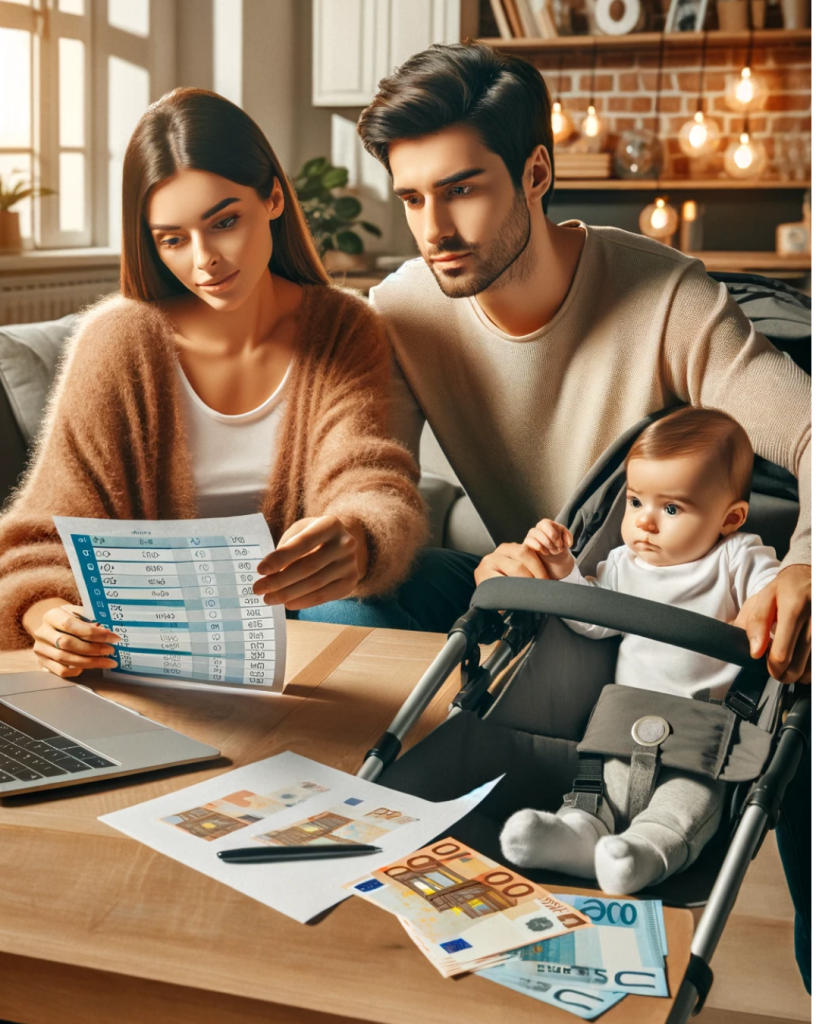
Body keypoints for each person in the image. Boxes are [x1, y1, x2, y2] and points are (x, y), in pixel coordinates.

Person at [357, 41, 810, 985]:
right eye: (410, 198)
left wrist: (805, 564)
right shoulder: (400, 307)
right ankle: (364, 907)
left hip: (684, 610)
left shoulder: (667, 297)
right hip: (543, 589)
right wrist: (468, 564)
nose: (431, 227)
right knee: (356, 605)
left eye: (462, 190)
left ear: (535, 173)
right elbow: (384, 489)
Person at [0, 88, 427, 672]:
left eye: (224, 222)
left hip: (301, 629)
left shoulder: (342, 326)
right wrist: (45, 614)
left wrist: (356, 535)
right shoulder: (118, 343)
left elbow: (369, 475)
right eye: (172, 239)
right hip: (147, 652)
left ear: (274, 198)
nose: (205, 260)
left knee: (357, 613)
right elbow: (39, 534)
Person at [499, 408, 780, 894]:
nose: (645, 523)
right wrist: (563, 566)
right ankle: (575, 839)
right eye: (634, 502)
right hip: (620, 729)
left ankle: (643, 854)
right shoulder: (625, 564)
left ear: (729, 518)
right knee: (596, 794)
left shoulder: (736, 556)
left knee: (684, 805)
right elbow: (589, 620)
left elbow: (775, 594)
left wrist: (759, 608)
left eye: (671, 509)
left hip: (702, 741)